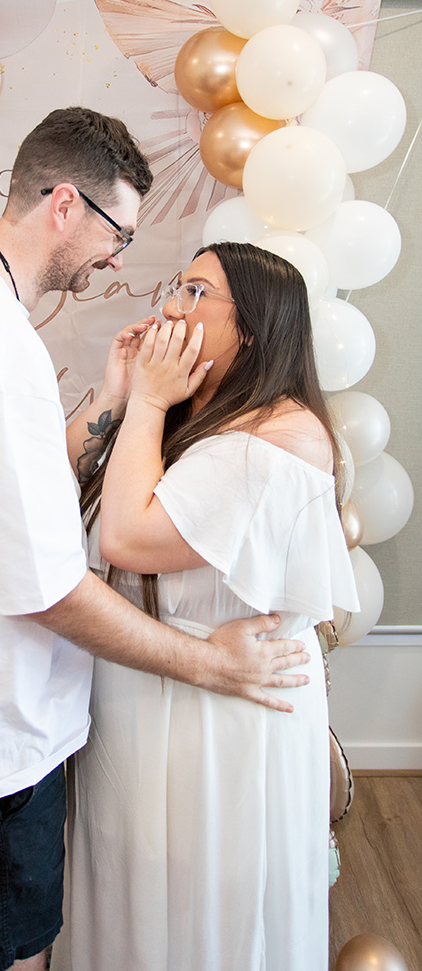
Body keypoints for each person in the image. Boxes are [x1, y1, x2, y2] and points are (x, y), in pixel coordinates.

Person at [0, 110, 311, 971]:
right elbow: (46, 585)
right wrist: (209, 663)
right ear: (65, 204)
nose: (118, 260)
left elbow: (16, 484)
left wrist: (110, 393)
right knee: (2, 949)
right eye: (118, 233)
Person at [53, 241, 360, 971]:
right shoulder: (196, 417)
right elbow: (52, 478)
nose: (169, 307)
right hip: (145, 686)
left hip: (215, 717)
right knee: (131, 889)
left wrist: (152, 402)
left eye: (193, 293)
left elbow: (127, 535)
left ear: (249, 327)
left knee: (198, 910)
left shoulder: (281, 434)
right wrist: (120, 394)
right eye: (175, 288)